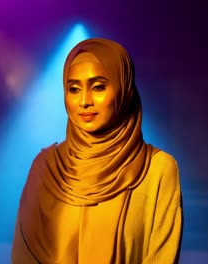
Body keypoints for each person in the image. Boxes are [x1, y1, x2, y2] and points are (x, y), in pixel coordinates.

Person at [11, 38, 183, 263]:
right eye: (73, 89)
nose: (84, 101)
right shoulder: (46, 167)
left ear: (124, 90)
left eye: (99, 86)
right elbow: (24, 256)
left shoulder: (157, 170)